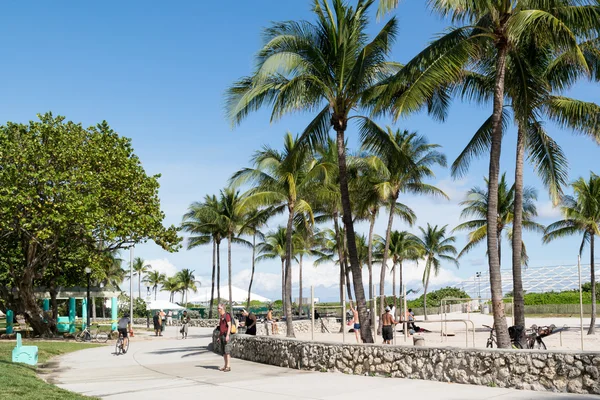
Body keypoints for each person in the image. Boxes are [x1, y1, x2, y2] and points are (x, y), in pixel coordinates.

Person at [217, 304, 232, 372]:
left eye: (219, 308)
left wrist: (228, 335)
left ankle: (228, 366)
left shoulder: (227, 315)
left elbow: (229, 326)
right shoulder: (221, 316)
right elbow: (221, 328)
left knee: (227, 351)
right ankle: (225, 366)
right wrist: (219, 337)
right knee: (224, 352)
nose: (218, 309)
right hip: (222, 335)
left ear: (222, 309)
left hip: (226, 335)